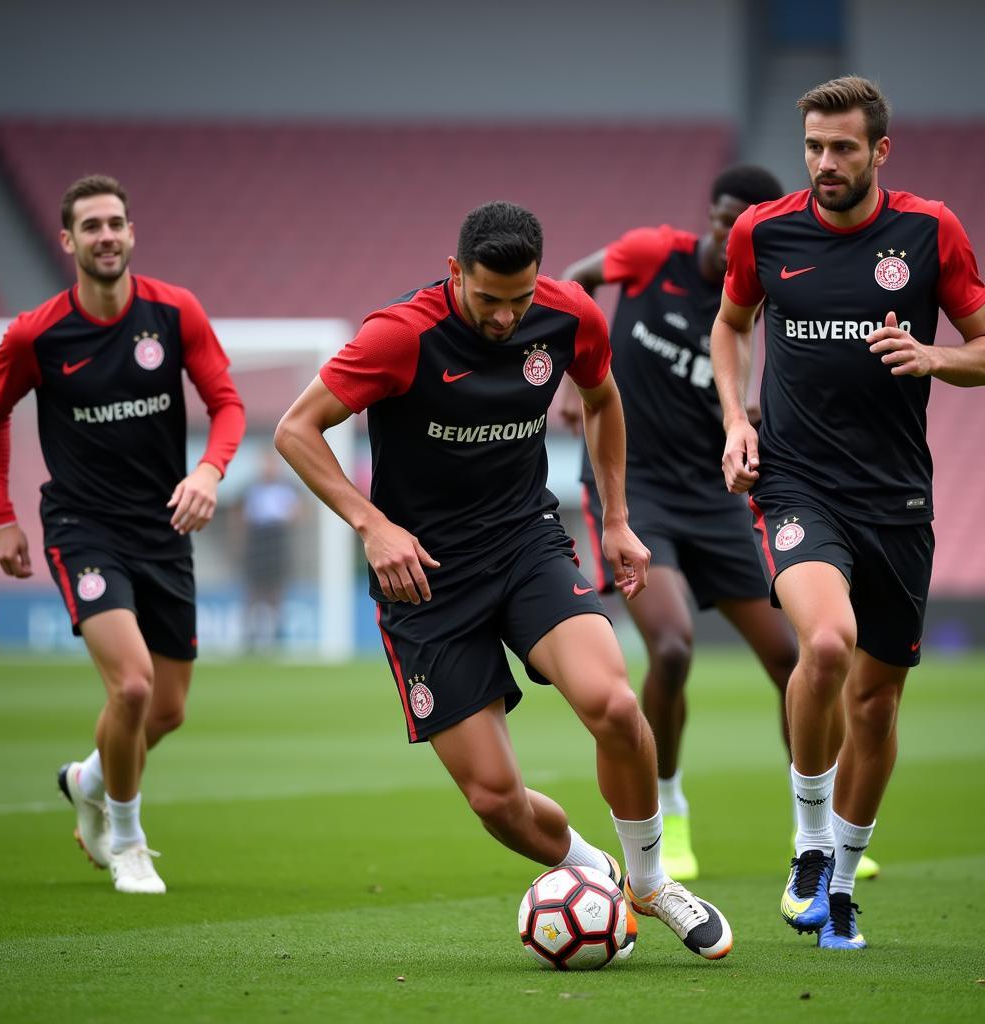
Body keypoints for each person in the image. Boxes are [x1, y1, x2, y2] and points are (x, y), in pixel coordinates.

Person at [275, 200, 733, 962]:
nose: (504, 317)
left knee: (616, 704)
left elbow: (602, 398)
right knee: (495, 799)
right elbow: (297, 428)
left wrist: (615, 519)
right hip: (425, 578)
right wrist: (372, 524)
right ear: (456, 273)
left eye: (519, 299)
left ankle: (651, 883)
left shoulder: (566, 315)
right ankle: (597, 875)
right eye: (488, 299)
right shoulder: (400, 336)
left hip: (525, 544)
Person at [712, 77, 985, 950]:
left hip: (898, 498)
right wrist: (733, 421)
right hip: (798, 486)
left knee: (875, 708)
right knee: (823, 644)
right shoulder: (764, 230)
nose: (825, 164)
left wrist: (936, 357)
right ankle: (809, 845)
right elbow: (730, 326)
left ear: (880, 152)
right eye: (813, 148)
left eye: (842, 148)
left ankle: (842, 876)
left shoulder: (929, 230)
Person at [0, 174, 245, 894]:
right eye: (90, 226)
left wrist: (210, 473)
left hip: (162, 527)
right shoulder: (37, 333)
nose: (105, 236)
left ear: (131, 233)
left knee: (168, 709)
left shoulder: (173, 311)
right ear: (67, 240)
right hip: (81, 526)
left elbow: (226, 403)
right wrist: (1, 516)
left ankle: (87, 779)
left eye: (115, 224)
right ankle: (125, 838)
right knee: (130, 687)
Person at [559, 165, 821, 882]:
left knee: (794, 662)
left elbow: (746, 387)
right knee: (672, 649)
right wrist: (572, 372)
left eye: (744, 226)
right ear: (709, 216)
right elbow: (570, 284)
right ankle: (668, 809)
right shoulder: (654, 255)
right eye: (721, 220)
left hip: (713, 495)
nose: (727, 236)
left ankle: (816, 835)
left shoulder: (761, 296)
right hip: (633, 487)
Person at [236, 451, 305, 650]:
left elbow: (298, 512)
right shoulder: (250, 488)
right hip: (256, 542)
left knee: (276, 591)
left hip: (277, 540)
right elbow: (240, 516)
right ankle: (249, 635)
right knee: (253, 591)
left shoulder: (288, 487)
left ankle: (277, 634)